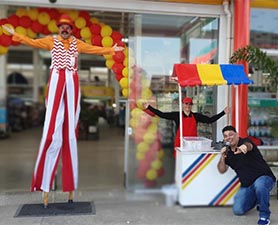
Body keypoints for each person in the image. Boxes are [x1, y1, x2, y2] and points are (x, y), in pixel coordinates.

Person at [2, 14, 124, 208]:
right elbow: (32, 42)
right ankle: (44, 179)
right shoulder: (51, 41)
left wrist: (111, 49)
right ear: (59, 29)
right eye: (62, 27)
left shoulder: (77, 43)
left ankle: (67, 184)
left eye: (67, 27)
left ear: (71, 29)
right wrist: (15, 34)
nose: (64, 30)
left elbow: (94, 49)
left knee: (70, 129)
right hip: (57, 77)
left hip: (72, 80)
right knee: (52, 129)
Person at [217, 125, 276, 225]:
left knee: (260, 186)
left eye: (231, 134)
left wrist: (244, 147)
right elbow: (222, 170)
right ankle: (258, 199)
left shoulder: (245, 141)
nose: (229, 137)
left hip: (264, 178)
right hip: (247, 185)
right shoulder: (228, 153)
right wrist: (222, 157)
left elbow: (249, 145)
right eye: (226, 136)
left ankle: (264, 216)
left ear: (237, 135)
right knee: (238, 210)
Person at [142, 97, 230, 155]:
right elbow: (162, 114)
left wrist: (223, 113)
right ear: (183, 104)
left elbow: (210, 120)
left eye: (189, 104)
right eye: (186, 103)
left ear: (191, 105)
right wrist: (149, 107)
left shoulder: (196, 116)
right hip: (180, 144)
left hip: (192, 144)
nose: (188, 106)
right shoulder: (177, 115)